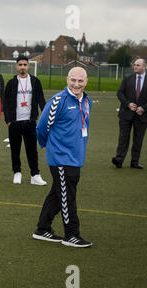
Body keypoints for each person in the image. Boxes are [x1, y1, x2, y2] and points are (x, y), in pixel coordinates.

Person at [32, 67, 93, 248]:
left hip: (76, 157)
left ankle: (42, 229)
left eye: (80, 81)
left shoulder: (87, 100)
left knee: (59, 194)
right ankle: (72, 234)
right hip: (60, 157)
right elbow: (42, 127)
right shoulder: (58, 101)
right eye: (73, 80)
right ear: (67, 79)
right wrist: (49, 147)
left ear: (86, 81)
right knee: (68, 197)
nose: (76, 84)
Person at [3, 55, 47, 185]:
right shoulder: (11, 83)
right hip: (15, 122)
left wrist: (43, 118)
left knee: (32, 150)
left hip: (30, 122)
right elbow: (5, 103)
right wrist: (8, 120)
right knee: (15, 150)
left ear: (28, 66)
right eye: (20, 65)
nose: (22, 67)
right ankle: (17, 173)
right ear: (17, 66)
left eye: (25, 65)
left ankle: (35, 175)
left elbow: (41, 100)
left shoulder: (35, 81)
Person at [112, 58, 147, 169]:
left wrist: (143, 108)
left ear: (144, 67)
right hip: (126, 114)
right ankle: (119, 160)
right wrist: (128, 104)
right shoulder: (128, 78)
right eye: (134, 65)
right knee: (123, 138)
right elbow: (119, 93)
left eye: (138, 65)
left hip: (142, 115)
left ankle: (135, 162)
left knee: (138, 140)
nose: (135, 67)